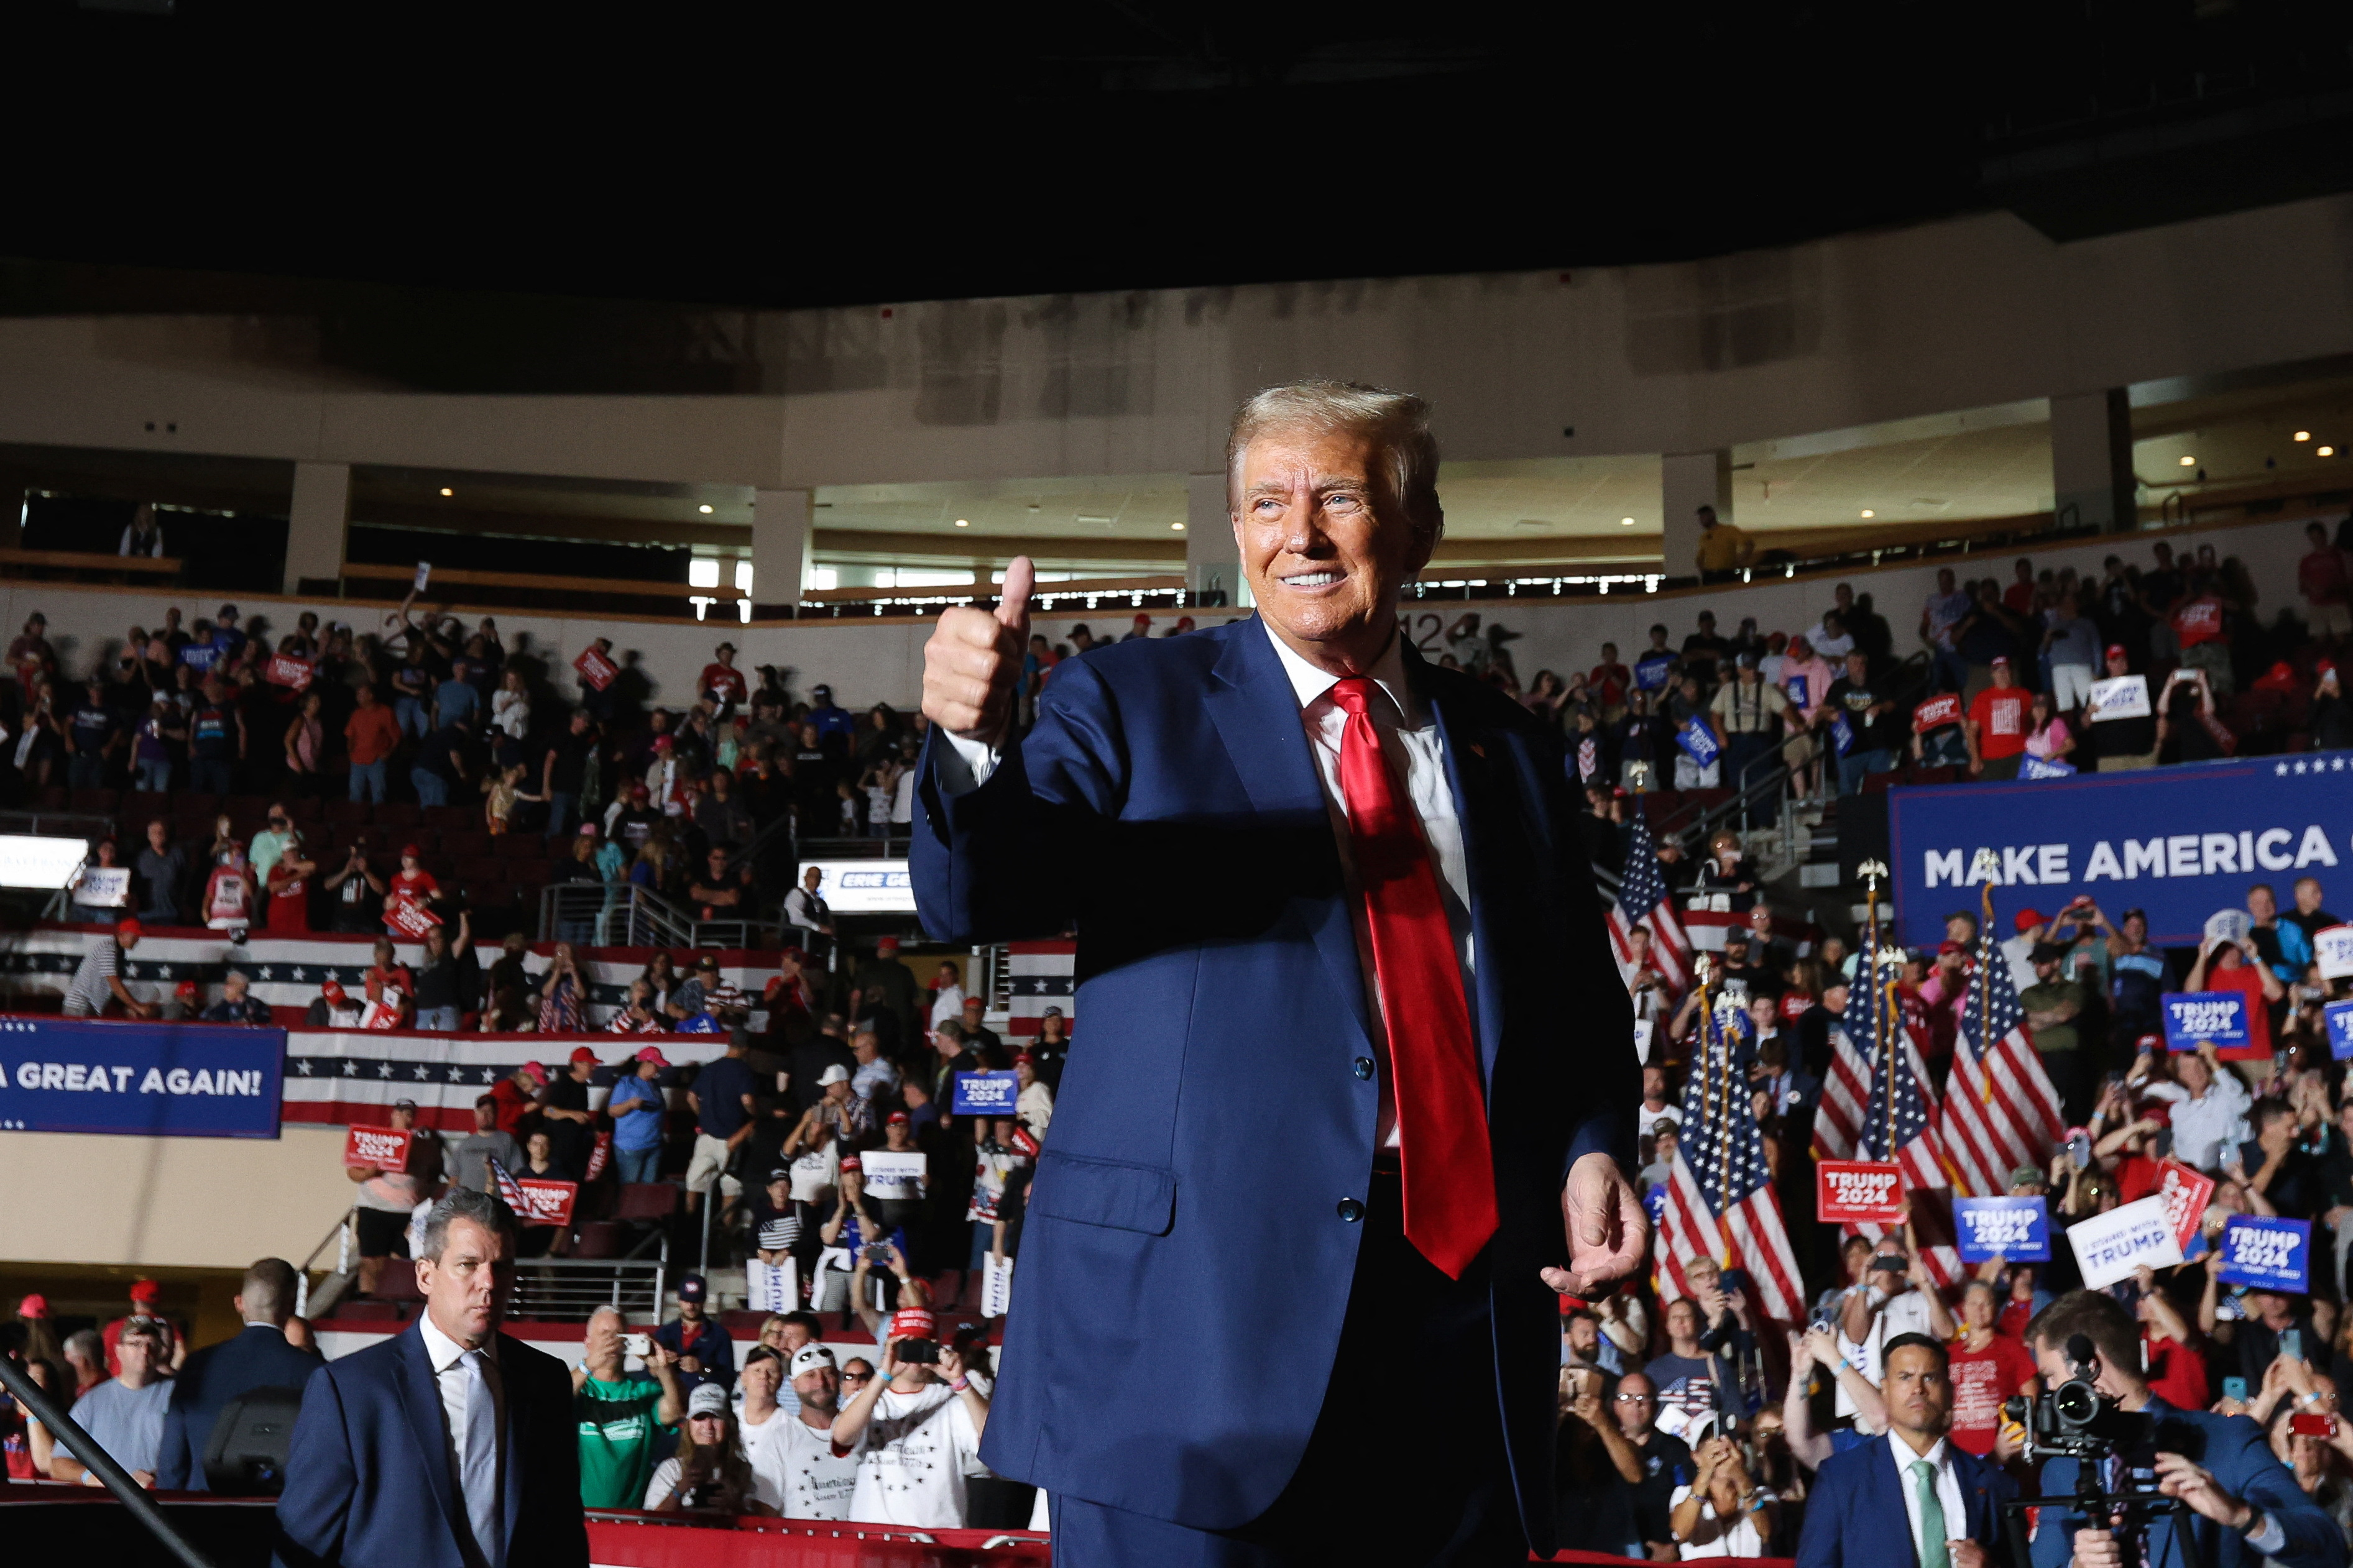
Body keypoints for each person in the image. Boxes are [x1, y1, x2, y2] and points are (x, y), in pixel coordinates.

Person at [913, 378, 1642, 1563]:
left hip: (1458, 1339)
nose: (1298, 533)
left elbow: (1573, 999)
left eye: (1340, 496)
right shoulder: (1126, 700)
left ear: (1417, 529)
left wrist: (1592, 1142)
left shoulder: (1511, 747)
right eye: (1266, 502)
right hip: (1186, 1345)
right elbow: (977, 892)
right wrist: (968, 740)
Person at [276, 1189, 588, 1568]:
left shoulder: (545, 1379)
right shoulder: (350, 1390)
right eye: (468, 1265)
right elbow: (303, 1545)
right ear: (426, 1275)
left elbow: (563, 1527)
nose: (488, 1283)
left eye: (502, 1266)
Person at [2024, 1290, 2342, 1568]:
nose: (2048, 1392)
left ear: (2089, 1365)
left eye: (2050, 1376)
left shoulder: (2225, 1440)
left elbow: (2328, 1547)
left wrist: (2241, 1516)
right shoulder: (2062, 1468)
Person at [1794, 1333, 2019, 1568]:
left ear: (1950, 1392)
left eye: (1930, 1378)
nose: (1918, 1389)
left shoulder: (1993, 1484)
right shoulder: (1842, 1478)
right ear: (1886, 1390)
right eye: (1905, 1377)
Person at [155, 1257, 321, 1490]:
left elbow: (172, 1462)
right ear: (291, 1306)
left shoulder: (198, 1365)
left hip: (199, 1513)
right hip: (274, 1516)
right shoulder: (313, 1372)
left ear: (239, 1303)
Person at [834, 1307, 990, 1528]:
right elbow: (841, 1438)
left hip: (938, 1538)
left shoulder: (952, 1400)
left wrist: (960, 1382)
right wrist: (884, 1373)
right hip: (875, 1537)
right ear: (891, 1347)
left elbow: (995, 1446)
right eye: (907, 1345)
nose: (915, 1355)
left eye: (922, 1344)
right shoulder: (868, 1399)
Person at [573, 1304, 686, 1510]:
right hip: (578, 1518)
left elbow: (676, 1410)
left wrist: (662, 1369)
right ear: (588, 1343)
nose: (612, 1341)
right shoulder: (580, 1390)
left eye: (618, 1334)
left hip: (629, 1519)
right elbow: (550, 1402)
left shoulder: (642, 1392)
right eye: (605, 1334)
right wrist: (588, 1365)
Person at [49, 1318, 173, 1487]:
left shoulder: (179, 1395)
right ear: (119, 1351)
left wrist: (159, 1476)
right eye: (136, 1344)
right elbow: (58, 1463)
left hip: (158, 1500)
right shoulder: (92, 1401)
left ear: (160, 1351)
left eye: (151, 1344)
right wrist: (90, 1478)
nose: (144, 1351)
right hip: (107, 1504)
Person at [753, 1342, 864, 1519]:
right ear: (794, 1384)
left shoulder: (865, 1428)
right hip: (805, 1545)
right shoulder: (778, 1438)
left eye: (828, 1374)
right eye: (810, 1375)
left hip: (863, 1544)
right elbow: (764, 1510)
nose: (821, 1383)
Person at [645, 1382, 775, 1515]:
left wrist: (734, 1505)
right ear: (688, 1425)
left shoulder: (744, 1472)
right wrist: (679, 1490)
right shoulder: (672, 1470)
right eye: (700, 1418)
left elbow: (760, 1525)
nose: (708, 1426)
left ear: (730, 1424)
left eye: (716, 1417)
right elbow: (651, 1522)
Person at [653, 1273, 734, 1395]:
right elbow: (646, 1376)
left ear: (704, 1300)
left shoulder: (720, 1335)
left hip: (705, 1399)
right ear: (679, 1299)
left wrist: (702, 1368)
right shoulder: (664, 1333)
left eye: (696, 1301)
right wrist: (659, 1366)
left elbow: (728, 1380)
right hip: (668, 1398)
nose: (691, 1307)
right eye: (687, 1301)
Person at [62, 917, 156, 1018]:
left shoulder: (114, 950)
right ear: (123, 934)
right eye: (135, 936)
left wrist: (130, 1007)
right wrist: (137, 1007)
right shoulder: (108, 949)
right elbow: (114, 984)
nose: (137, 940)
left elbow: (112, 987)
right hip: (80, 1006)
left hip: (83, 1006)